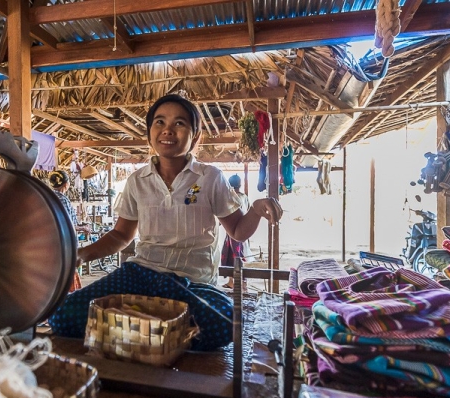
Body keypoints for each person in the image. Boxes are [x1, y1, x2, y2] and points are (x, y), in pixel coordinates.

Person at [48, 94, 282, 351]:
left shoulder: (210, 177)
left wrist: (257, 209)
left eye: (179, 123)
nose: (168, 129)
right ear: (150, 133)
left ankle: (135, 331)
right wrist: (80, 255)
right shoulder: (137, 180)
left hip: (192, 282)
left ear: (196, 135)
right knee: (63, 316)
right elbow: (120, 236)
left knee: (225, 323)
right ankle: (160, 334)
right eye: (159, 122)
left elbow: (237, 231)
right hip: (139, 275)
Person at [48, 169, 90, 291]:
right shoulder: (62, 199)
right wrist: (83, 227)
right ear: (66, 184)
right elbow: (67, 224)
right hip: (64, 244)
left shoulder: (48, 196)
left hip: (52, 244)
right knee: (67, 275)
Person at [220, 174, 250, 292]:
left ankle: (243, 284)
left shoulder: (232, 197)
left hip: (235, 232)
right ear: (240, 184)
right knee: (232, 256)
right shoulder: (244, 196)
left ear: (229, 185)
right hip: (239, 231)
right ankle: (232, 282)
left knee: (237, 257)